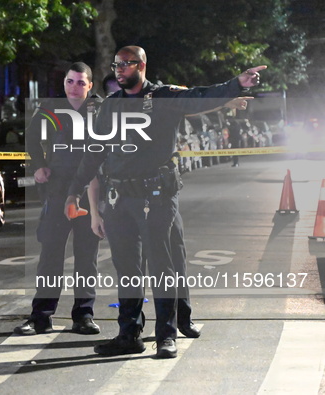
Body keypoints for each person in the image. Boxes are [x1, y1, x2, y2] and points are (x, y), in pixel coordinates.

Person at [65, 45, 265, 358]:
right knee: (127, 269)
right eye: (117, 64)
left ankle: (166, 335)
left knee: (162, 267)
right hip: (119, 199)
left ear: (142, 65)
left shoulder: (164, 98)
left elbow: (201, 95)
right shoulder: (111, 105)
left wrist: (236, 84)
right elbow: (95, 151)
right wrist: (74, 190)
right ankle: (129, 334)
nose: (120, 69)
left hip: (155, 197)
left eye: (127, 64)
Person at [13, 62, 103, 336]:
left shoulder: (101, 110)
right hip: (58, 189)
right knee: (51, 253)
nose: (74, 87)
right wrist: (38, 165)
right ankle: (41, 316)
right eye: (69, 81)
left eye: (80, 82)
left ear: (90, 85)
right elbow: (31, 140)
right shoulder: (51, 108)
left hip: (90, 190)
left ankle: (84, 315)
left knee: (87, 256)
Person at [87, 175, 201, 339]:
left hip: (159, 199)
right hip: (122, 202)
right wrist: (94, 212)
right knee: (131, 268)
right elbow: (93, 174)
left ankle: (182, 318)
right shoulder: (106, 149)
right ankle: (132, 328)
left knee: (174, 263)